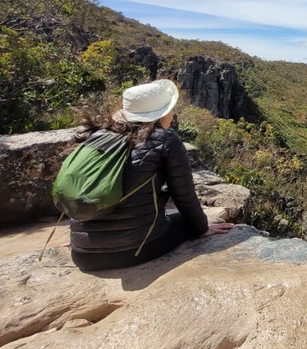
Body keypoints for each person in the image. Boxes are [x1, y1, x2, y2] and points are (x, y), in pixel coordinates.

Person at [69, 79, 234, 271]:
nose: (173, 114)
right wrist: (203, 227)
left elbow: (78, 188)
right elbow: (183, 194)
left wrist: (81, 238)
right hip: (134, 250)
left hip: (82, 255)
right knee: (182, 220)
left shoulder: (98, 135)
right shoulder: (166, 140)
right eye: (170, 109)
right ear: (159, 115)